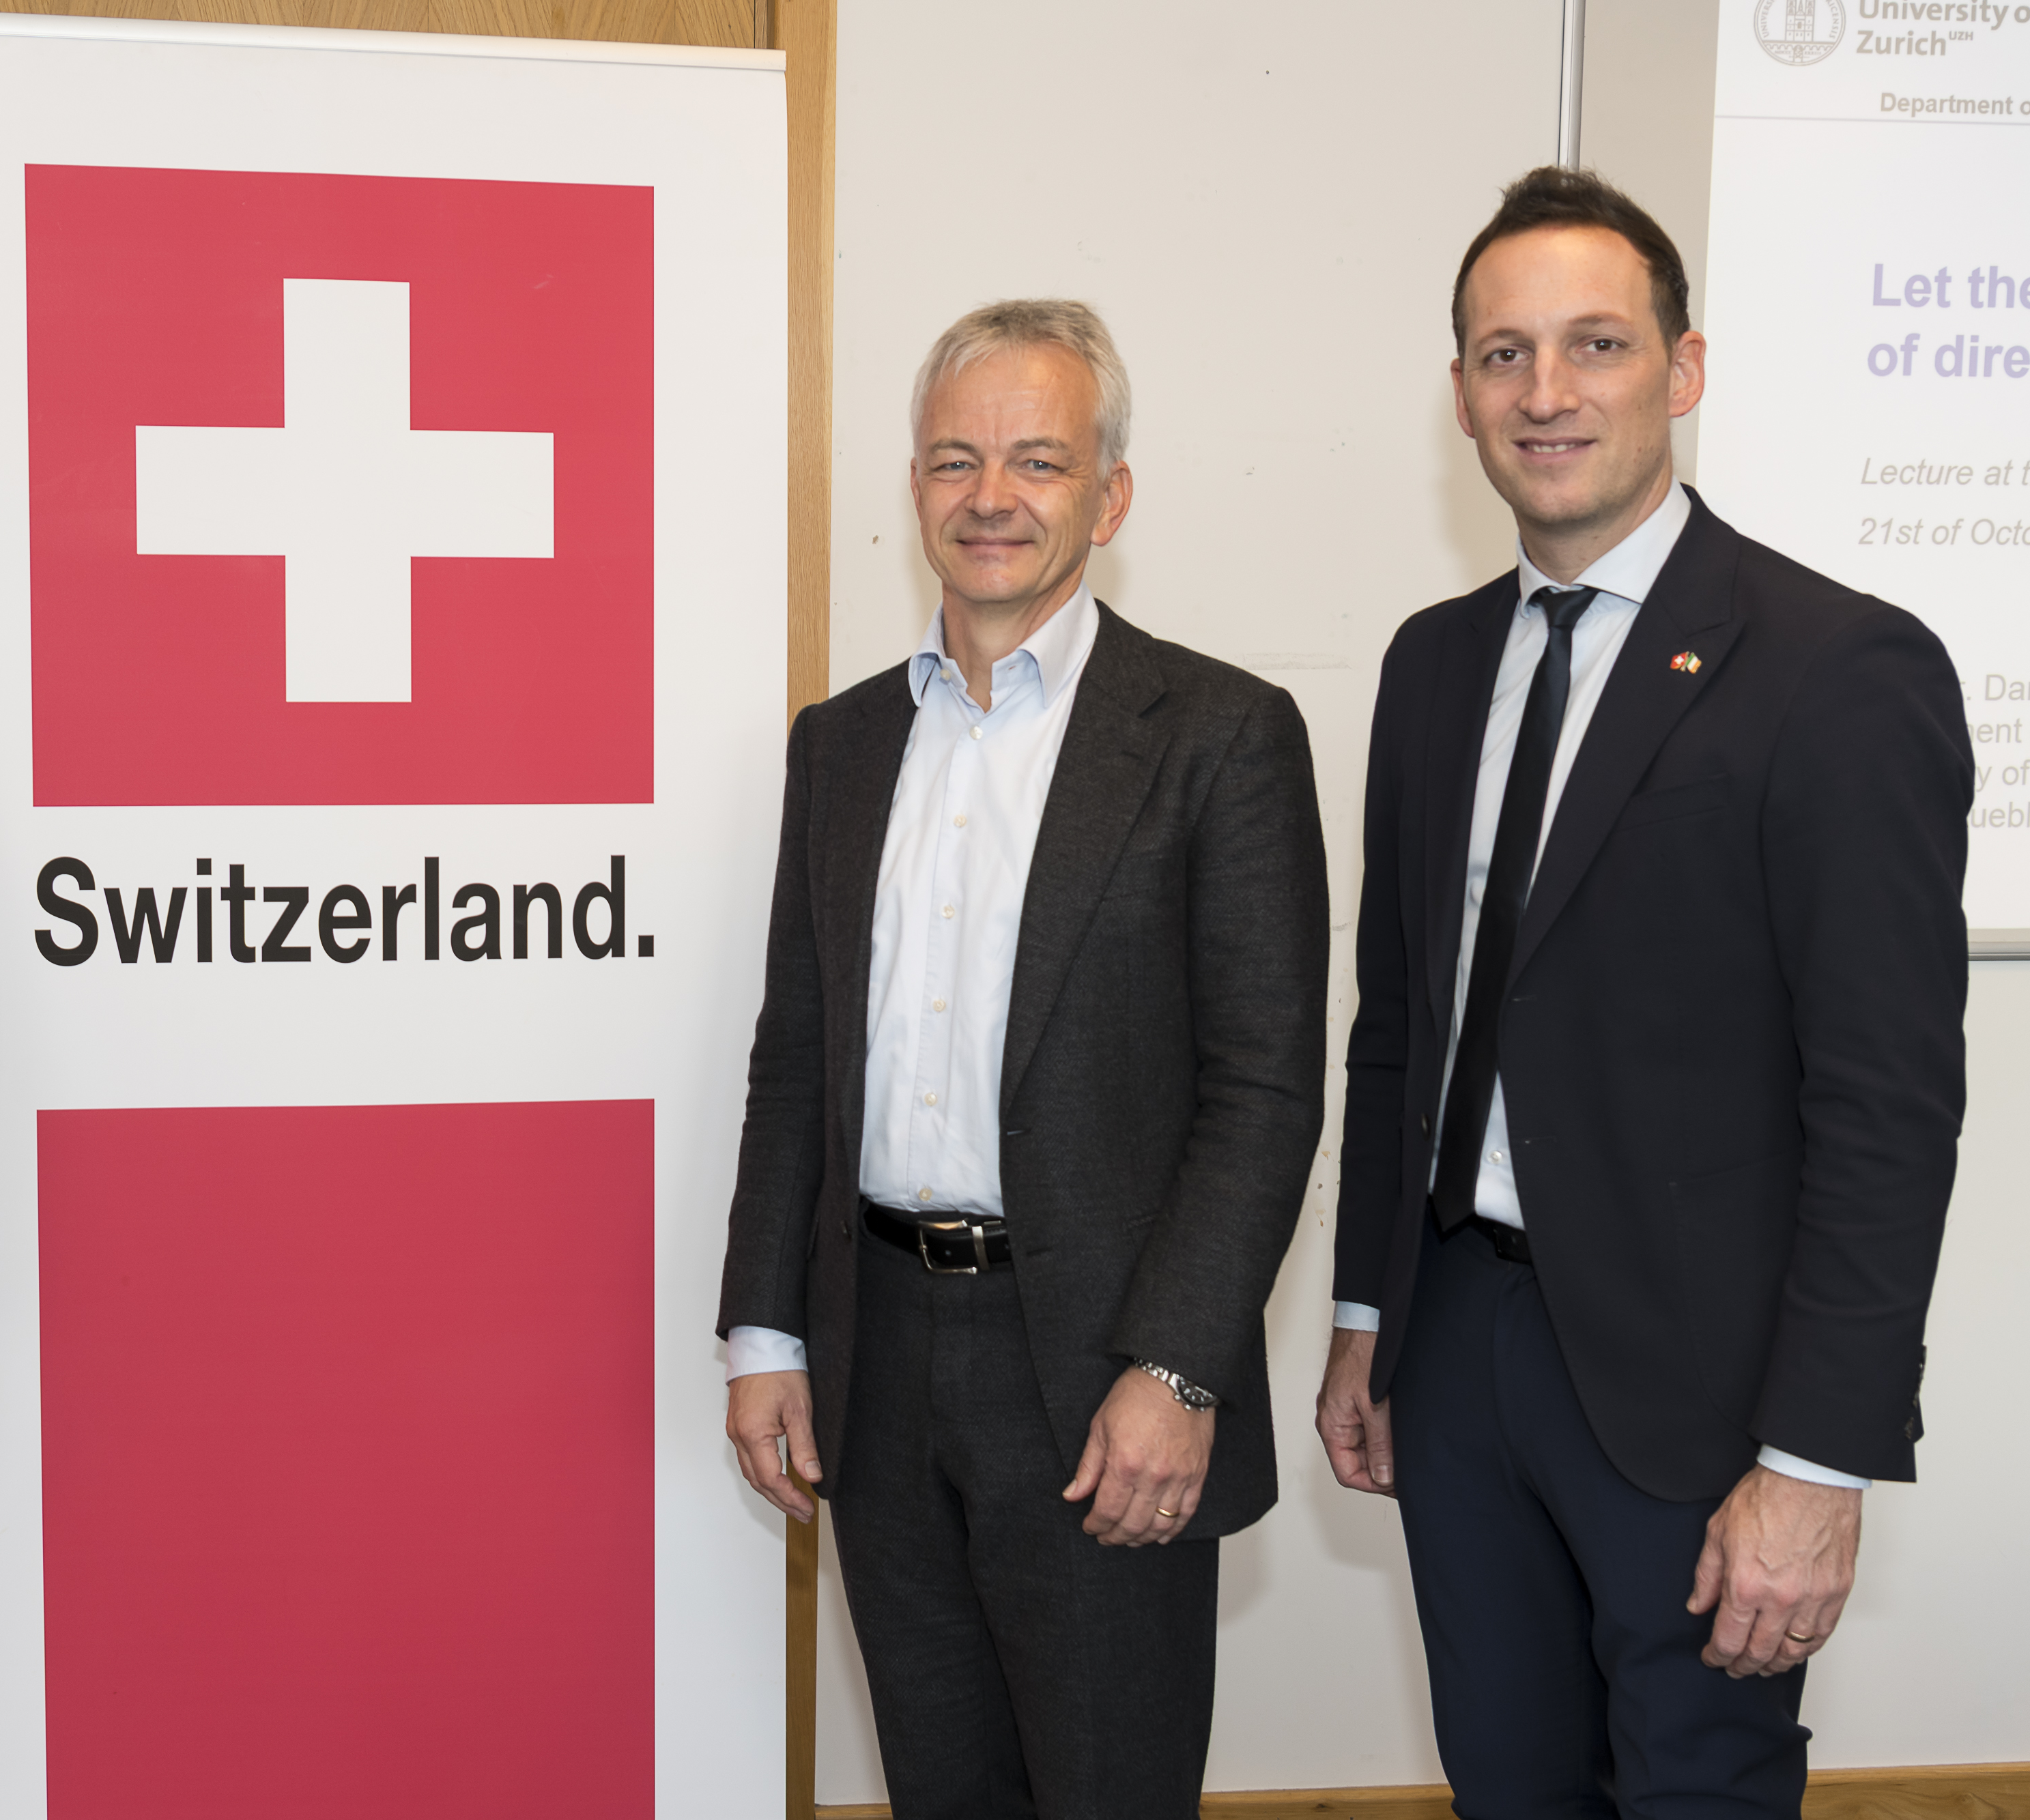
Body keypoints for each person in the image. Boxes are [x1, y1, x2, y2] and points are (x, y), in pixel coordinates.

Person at [1317, 167, 1969, 1811]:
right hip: (1455, 1348)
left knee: (1694, 1787)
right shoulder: (1429, 663)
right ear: (1459, 392)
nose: (1545, 390)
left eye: (1593, 344)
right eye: (1503, 353)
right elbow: (1397, 1026)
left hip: (1699, 1390)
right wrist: (1365, 1315)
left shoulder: (1836, 669)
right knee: (1504, 1782)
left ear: (1680, 369)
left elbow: (1883, 1105)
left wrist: (1814, 1459)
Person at [716, 299, 1328, 1819]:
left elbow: (1263, 1091)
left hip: (1102, 1371)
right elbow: (795, 1059)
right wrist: (765, 1334)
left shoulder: (1218, 735)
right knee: (939, 1788)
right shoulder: (840, 744)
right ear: (915, 485)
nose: (991, 495)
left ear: (1108, 496)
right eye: (955, 458)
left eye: (1038, 460)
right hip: (873, 1356)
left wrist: (1175, 1365)